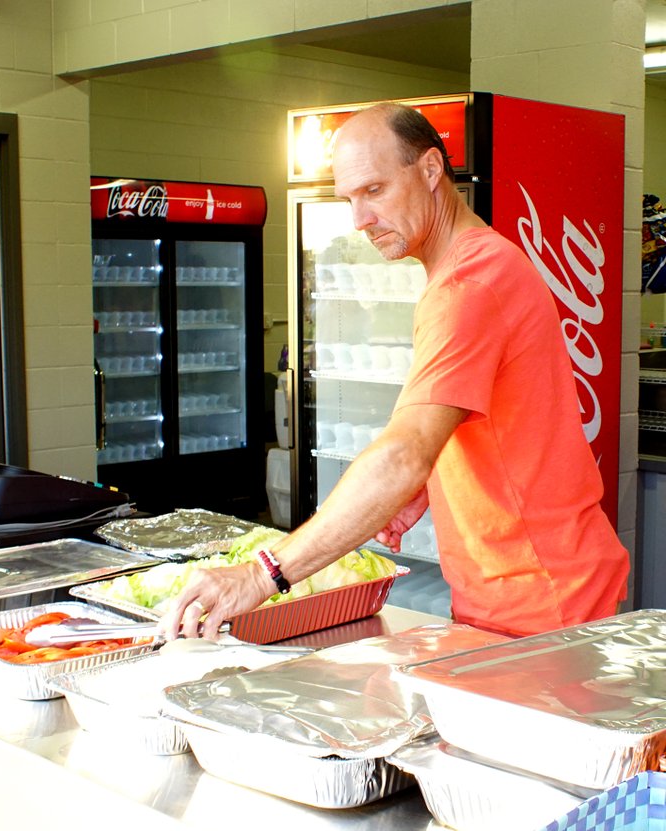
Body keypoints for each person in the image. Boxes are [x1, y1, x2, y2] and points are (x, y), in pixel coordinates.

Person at [160, 101, 630, 641]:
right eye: (349, 199)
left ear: (431, 170)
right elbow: (497, 416)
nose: (359, 220)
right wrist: (427, 482)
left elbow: (405, 451)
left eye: (374, 191)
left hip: (542, 598)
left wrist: (262, 572)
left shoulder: (469, 284)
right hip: (524, 587)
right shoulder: (473, 266)